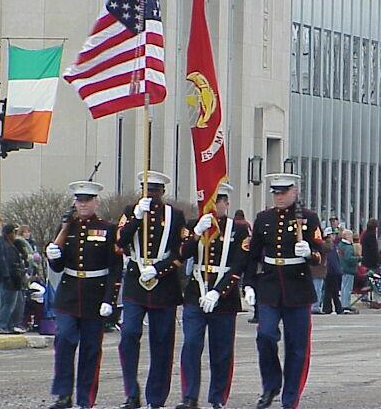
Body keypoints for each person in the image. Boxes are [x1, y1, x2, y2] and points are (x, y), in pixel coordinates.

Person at [244, 173, 322, 409]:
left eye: (283, 192)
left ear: (294, 191)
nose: (279, 197)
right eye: (275, 193)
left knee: (297, 347)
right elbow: (253, 254)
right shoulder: (263, 218)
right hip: (269, 285)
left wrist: (309, 253)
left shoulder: (307, 218)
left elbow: (321, 254)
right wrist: (248, 283)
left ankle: (290, 398)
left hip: (297, 286)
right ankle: (271, 385)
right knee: (265, 335)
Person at [46, 180, 122, 409]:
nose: (83, 205)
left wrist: (110, 299)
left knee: (90, 349)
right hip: (69, 293)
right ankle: (62, 394)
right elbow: (58, 267)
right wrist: (53, 256)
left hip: (95, 295)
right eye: (79, 200)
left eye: (87, 200)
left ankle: (85, 398)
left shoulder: (108, 229)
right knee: (64, 340)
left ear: (96, 202)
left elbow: (114, 268)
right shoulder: (66, 227)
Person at [176, 183, 251, 409]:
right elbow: (181, 254)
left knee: (221, 351)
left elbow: (239, 266)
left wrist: (218, 292)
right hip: (195, 294)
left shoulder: (238, 230)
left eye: (218, 201)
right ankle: (189, 396)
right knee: (191, 345)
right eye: (209, 202)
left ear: (226, 203)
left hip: (224, 297)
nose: (214, 206)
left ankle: (218, 397)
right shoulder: (194, 226)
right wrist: (197, 233)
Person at [116, 171, 187, 409]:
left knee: (162, 343)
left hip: (163, 284)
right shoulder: (130, 211)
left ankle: (156, 398)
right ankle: (131, 393)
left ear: (162, 192)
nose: (151, 195)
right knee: (129, 334)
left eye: (155, 191)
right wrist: (136, 217)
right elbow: (120, 241)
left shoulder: (175, 216)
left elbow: (180, 252)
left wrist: (159, 269)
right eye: (147, 190)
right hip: (136, 281)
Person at [0, 223, 24, 334]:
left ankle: (10, 325)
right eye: (14, 232)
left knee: (13, 304)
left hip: (12, 279)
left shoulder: (10, 245)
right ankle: (3, 325)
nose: (15, 235)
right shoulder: (7, 247)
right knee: (8, 304)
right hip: (11, 280)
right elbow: (11, 264)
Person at [310, 227, 331, 314]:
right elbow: (328, 247)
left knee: (317, 289)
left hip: (313, 270)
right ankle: (315, 307)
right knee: (317, 289)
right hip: (318, 270)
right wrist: (328, 239)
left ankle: (315, 306)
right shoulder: (320, 244)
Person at [339, 229, 360, 314]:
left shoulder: (341, 245)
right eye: (350, 236)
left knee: (344, 287)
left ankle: (343, 304)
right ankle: (346, 305)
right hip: (349, 269)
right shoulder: (348, 247)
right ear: (347, 237)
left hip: (343, 269)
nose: (352, 237)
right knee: (347, 288)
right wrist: (358, 258)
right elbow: (348, 258)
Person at [323, 230, 343, 315]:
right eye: (333, 234)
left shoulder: (332, 245)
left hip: (331, 271)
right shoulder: (329, 245)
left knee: (330, 291)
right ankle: (333, 308)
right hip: (332, 271)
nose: (335, 236)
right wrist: (338, 270)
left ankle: (330, 308)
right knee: (332, 291)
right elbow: (332, 260)